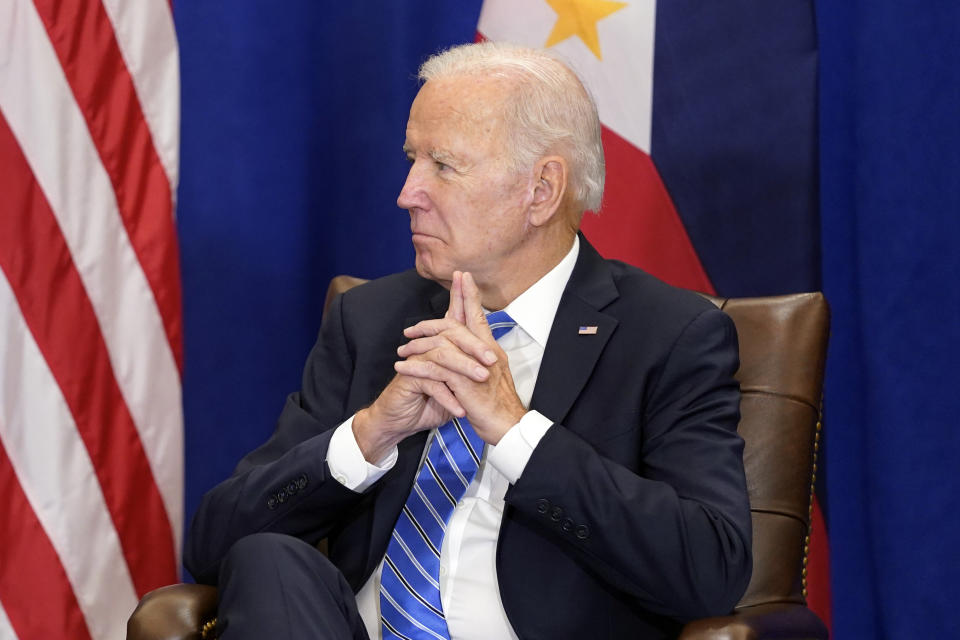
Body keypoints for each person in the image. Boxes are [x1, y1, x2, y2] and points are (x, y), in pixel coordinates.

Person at [185, 42, 752, 640]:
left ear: (542, 190)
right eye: (411, 160)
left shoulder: (667, 336)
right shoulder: (372, 320)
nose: (408, 193)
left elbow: (709, 570)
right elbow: (212, 548)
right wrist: (370, 434)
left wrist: (514, 430)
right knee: (265, 557)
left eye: (443, 166)